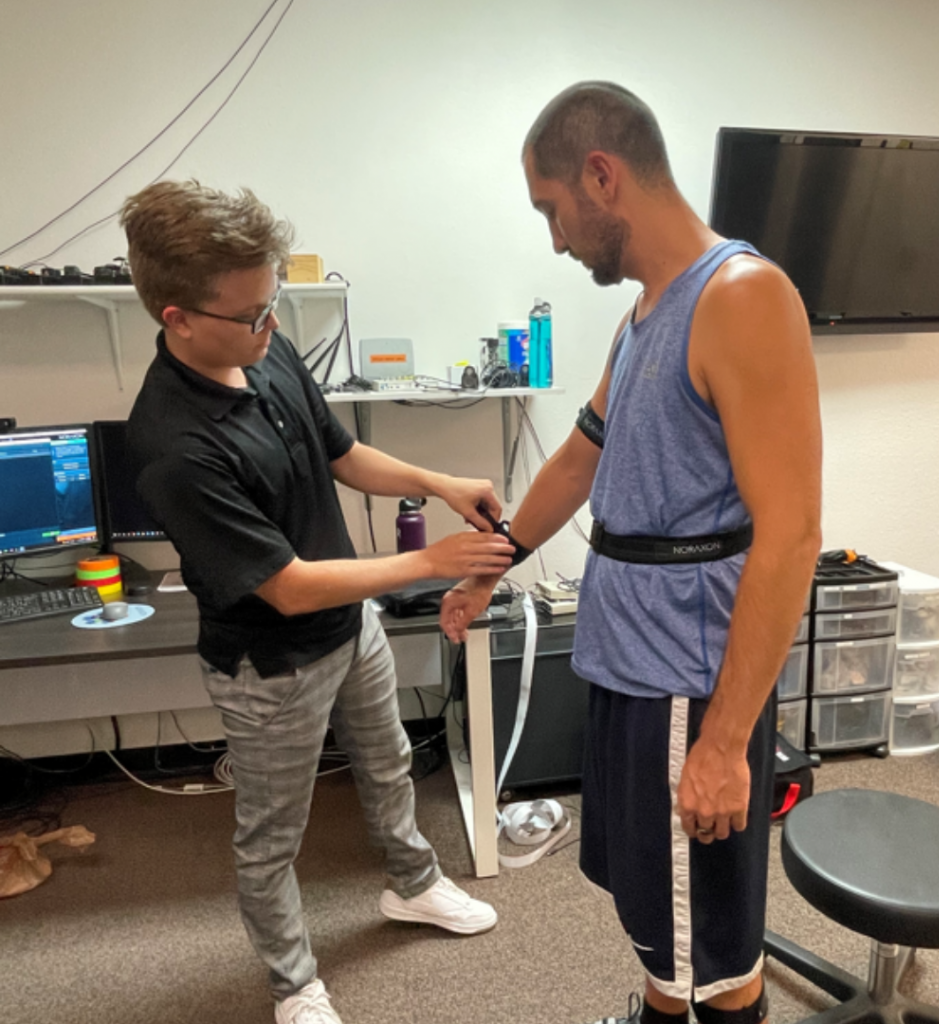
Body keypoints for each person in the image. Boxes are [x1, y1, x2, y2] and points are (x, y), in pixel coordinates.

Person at [441, 82, 822, 1024]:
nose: (556, 239)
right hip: (627, 662)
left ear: (601, 176)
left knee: (712, 948)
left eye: (552, 209)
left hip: (688, 685)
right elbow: (581, 455)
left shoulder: (745, 297)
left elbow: (793, 534)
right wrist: (493, 561)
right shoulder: (649, 311)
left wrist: (727, 744)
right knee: (661, 916)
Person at [122, 180, 515, 1024]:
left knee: (388, 765)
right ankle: (293, 983)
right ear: (176, 316)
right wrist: (430, 563)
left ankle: (412, 884)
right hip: (268, 663)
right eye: (252, 314)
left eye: (274, 306)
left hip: (352, 627)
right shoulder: (171, 445)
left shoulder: (268, 350)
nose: (271, 327)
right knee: (271, 838)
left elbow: (342, 454)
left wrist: (437, 480)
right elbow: (288, 585)